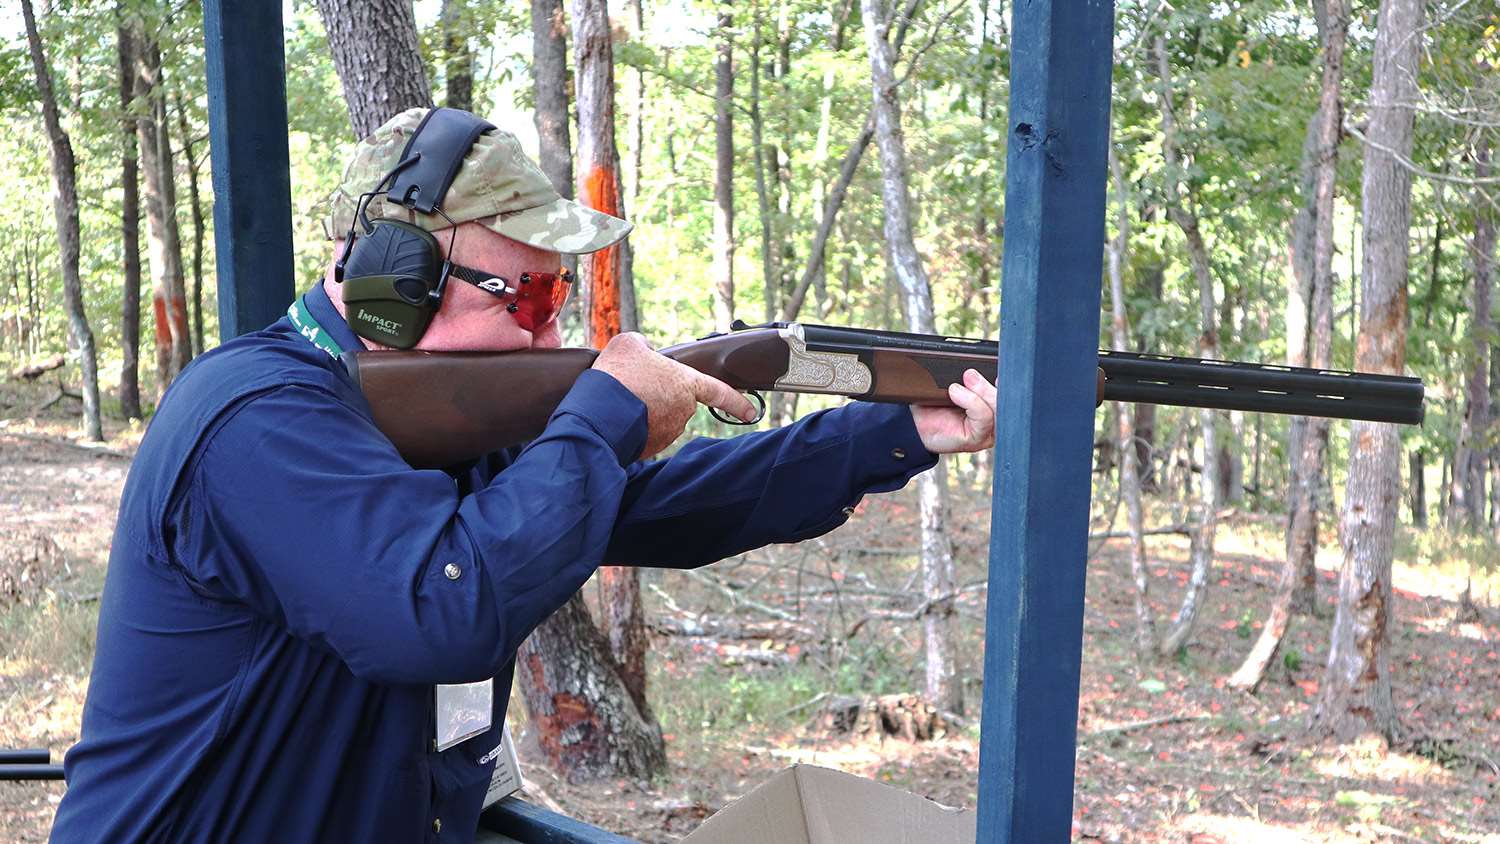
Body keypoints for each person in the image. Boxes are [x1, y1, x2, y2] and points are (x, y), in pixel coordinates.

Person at [50, 108, 998, 843]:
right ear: (393, 277)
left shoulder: (434, 426)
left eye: (561, 294)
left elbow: (657, 505)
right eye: (532, 293)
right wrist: (606, 413)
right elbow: (439, 611)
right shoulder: (258, 418)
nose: (551, 327)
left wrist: (890, 436)